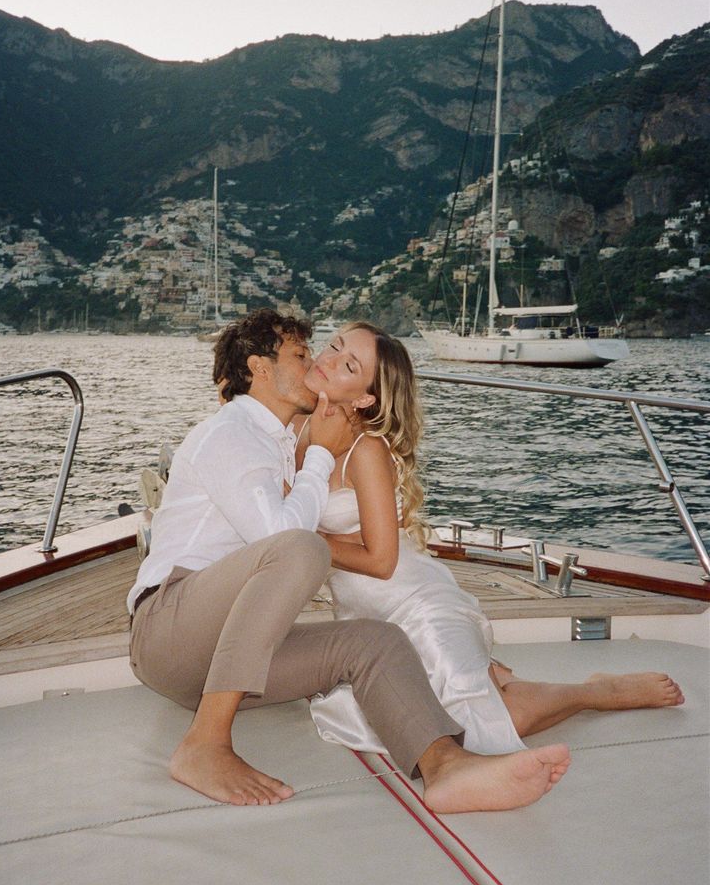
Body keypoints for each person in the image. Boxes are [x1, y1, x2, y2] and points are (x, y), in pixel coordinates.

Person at [128, 309, 571, 813]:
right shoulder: (233, 434)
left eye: (334, 354)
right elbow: (288, 537)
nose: (319, 359)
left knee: (376, 642)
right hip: (170, 628)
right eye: (304, 353)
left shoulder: (285, 435)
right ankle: (204, 744)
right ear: (264, 369)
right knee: (300, 546)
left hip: (219, 662)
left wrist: (316, 441)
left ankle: (446, 767)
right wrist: (320, 453)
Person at [293, 322, 684, 758]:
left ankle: (591, 692)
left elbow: (382, 561)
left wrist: (298, 538)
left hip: (415, 605)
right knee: (390, 717)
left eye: (347, 364)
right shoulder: (298, 428)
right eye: (333, 346)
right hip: (363, 619)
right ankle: (496, 678)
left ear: (366, 397)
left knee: (464, 731)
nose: (326, 360)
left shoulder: (366, 450)